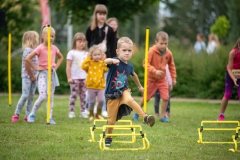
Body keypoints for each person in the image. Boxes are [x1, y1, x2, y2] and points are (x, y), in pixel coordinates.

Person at [104, 37, 155, 147]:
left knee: (130, 99)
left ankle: (145, 117)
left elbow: (134, 75)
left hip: (124, 91)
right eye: (124, 50)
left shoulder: (130, 66)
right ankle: (108, 137)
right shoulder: (114, 62)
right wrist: (112, 60)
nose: (127, 53)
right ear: (118, 51)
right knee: (111, 121)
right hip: (112, 95)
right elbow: (105, 61)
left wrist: (140, 86)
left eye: (129, 50)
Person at [133, 31, 177, 123]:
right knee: (146, 98)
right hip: (151, 79)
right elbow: (145, 63)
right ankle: (137, 113)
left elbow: (171, 66)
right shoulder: (152, 51)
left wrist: (173, 78)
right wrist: (155, 70)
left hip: (162, 80)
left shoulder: (168, 53)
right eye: (161, 43)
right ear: (156, 42)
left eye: (166, 44)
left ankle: (163, 116)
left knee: (165, 97)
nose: (164, 46)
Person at [26, 26, 63, 124]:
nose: (51, 38)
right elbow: (28, 58)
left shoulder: (54, 48)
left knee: (50, 97)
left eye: (52, 36)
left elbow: (61, 58)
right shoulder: (40, 48)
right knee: (42, 96)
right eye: (49, 36)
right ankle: (32, 114)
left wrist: (55, 68)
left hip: (51, 75)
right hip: (42, 74)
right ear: (43, 36)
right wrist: (36, 68)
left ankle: (49, 117)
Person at [11, 31, 39, 122]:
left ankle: (27, 115)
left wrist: (35, 75)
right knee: (25, 95)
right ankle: (16, 114)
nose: (37, 40)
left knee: (31, 96)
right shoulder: (27, 50)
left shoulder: (34, 51)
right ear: (32, 39)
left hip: (34, 77)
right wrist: (32, 76)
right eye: (36, 38)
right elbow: (27, 64)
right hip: (27, 76)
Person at [81, 45, 108, 121]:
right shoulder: (89, 63)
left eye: (98, 54)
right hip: (91, 86)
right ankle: (91, 114)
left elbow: (106, 69)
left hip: (100, 86)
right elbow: (83, 66)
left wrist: (104, 59)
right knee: (91, 101)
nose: (97, 56)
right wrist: (88, 58)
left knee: (101, 100)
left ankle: (98, 114)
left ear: (101, 55)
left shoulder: (102, 63)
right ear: (91, 55)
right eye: (95, 55)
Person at [66, 32, 88, 119]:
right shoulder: (71, 53)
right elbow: (68, 66)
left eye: (83, 41)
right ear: (75, 42)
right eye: (79, 41)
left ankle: (83, 111)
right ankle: (71, 112)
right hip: (74, 78)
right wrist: (69, 77)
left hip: (84, 78)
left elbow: (89, 67)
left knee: (83, 96)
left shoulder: (87, 54)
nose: (82, 43)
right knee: (74, 95)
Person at [217, 38, 240, 121]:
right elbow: (229, 68)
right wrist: (234, 79)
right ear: (238, 46)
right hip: (231, 74)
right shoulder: (233, 53)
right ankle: (221, 114)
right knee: (227, 94)